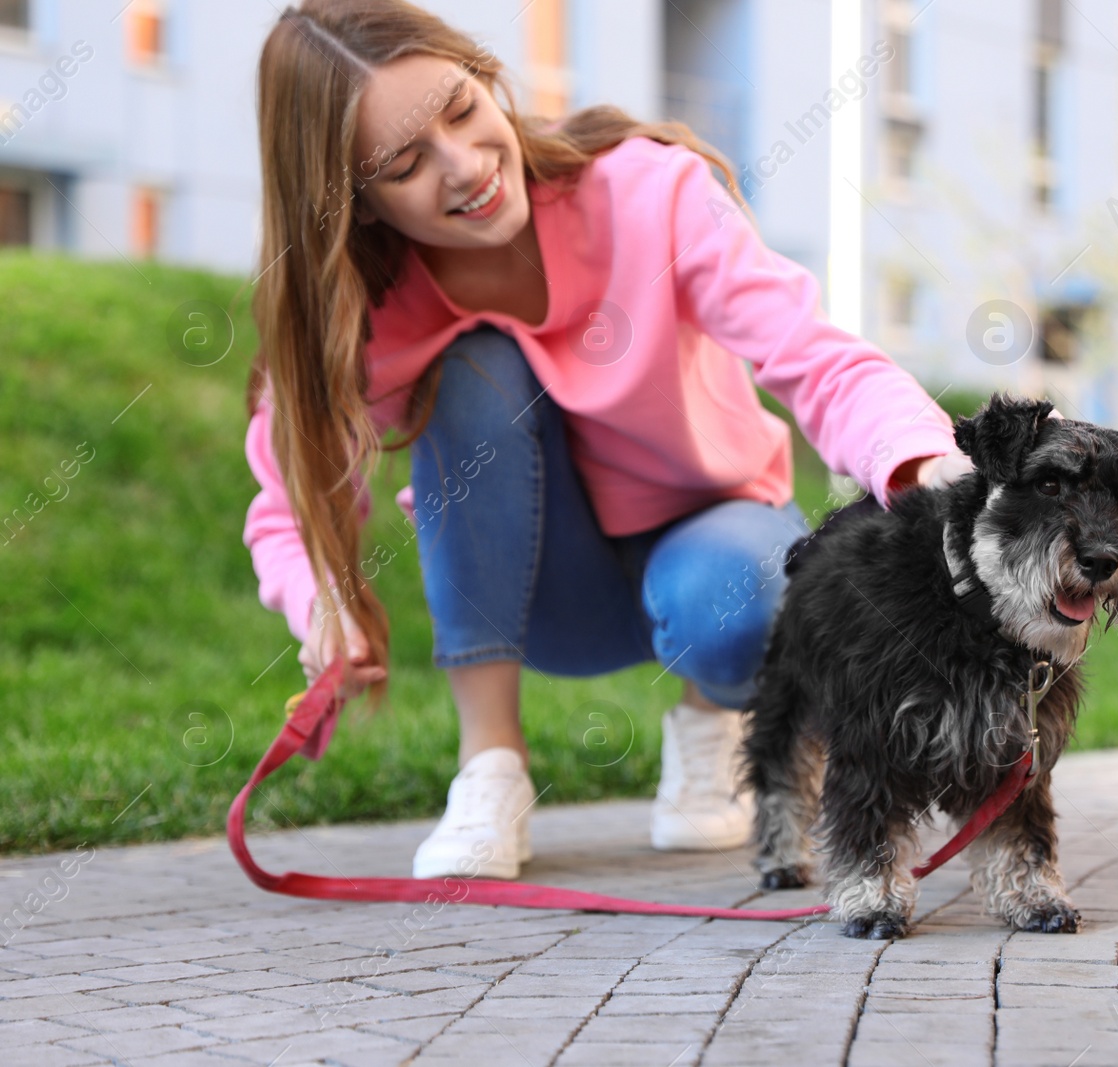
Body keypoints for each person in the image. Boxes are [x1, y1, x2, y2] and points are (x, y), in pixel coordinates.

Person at [242, 0, 972, 881]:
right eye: (405, 163)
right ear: (352, 201)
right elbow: (290, 510)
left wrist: (927, 465)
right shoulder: (360, 309)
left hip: (714, 545)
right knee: (473, 366)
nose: (467, 166)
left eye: (464, 110)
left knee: (740, 603)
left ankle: (720, 725)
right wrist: (319, 601)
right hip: (545, 590)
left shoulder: (646, 190)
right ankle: (489, 768)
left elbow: (810, 355)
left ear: (485, 76)